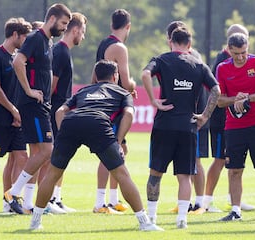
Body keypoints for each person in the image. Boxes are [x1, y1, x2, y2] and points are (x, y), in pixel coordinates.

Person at [29, 60, 163, 231]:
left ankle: (35, 222)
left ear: (96, 76)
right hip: (98, 124)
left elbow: (60, 112)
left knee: (53, 174)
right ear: (115, 76)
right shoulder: (123, 92)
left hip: (71, 122)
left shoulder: (83, 90)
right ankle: (145, 223)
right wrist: (119, 141)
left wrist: (64, 133)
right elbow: (129, 114)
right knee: (122, 174)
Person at [142, 27, 220, 229]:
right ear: (190, 44)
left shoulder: (161, 59)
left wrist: (153, 100)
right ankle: (182, 219)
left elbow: (144, 75)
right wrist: (204, 116)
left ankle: (152, 218)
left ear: (170, 41)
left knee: (155, 173)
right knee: (185, 176)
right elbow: (216, 90)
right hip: (188, 127)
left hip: (164, 125)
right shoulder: (199, 64)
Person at [3, 3, 72, 214]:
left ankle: (27, 203)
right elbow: (18, 61)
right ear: (52, 19)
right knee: (47, 151)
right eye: (63, 23)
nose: (64, 28)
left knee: (36, 153)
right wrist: (29, 90)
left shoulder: (47, 42)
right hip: (33, 105)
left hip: (42, 104)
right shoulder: (34, 38)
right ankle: (13, 192)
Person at [217, 32, 255, 222]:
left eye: (244, 52)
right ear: (229, 51)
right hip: (234, 126)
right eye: (236, 54)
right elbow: (219, 101)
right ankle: (236, 210)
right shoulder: (222, 68)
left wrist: (246, 98)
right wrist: (235, 99)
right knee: (234, 169)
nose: (241, 57)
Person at [36, 12, 87, 214]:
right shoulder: (60, 52)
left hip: (61, 112)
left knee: (61, 155)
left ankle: (55, 198)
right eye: (82, 32)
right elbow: (52, 85)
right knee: (50, 157)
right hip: (53, 112)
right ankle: (45, 200)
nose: (83, 37)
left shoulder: (65, 51)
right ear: (75, 30)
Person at [203, 23, 255, 212]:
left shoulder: (244, 61)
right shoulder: (222, 61)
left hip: (235, 120)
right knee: (219, 159)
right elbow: (216, 92)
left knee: (232, 162)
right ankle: (206, 201)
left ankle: (233, 199)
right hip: (221, 120)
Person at [93, 8, 136, 214]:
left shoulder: (103, 44)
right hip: (112, 105)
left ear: (112, 25)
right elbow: (126, 83)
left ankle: (112, 199)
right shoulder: (120, 48)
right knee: (109, 152)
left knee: (121, 150)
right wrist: (134, 86)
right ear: (128, 26)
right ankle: (101, 202)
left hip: (102, 100)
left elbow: (95, 76)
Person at [0, 17, 31, 213]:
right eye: (24, 37)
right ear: (15, 35)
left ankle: (10, 201)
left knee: (22, 156)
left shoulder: (17, 59)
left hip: (17, 117)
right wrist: (12, 109)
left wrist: (19, 110)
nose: (26, 42)